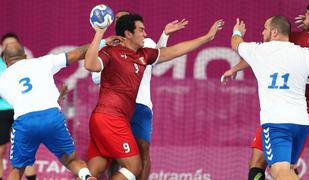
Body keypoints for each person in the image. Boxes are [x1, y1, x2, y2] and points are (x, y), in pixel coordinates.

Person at [85, 13, 224, 180]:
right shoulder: (110, 51)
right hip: (110, 117)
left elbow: (177, 50)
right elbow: (90, 65)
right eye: (141, 30)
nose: (145, 34)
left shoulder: (144, 54)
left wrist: (207, 38)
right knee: (133, 166)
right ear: (128, 33)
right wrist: (99, 34)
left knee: (94, 169)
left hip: (112, 116)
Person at [222, 2, 309, 180]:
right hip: (302, 120)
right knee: (282, 168)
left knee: (277, 170)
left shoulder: (263, 50)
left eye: (265, 28)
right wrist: (236, 68)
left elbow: (240, 45)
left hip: (277, 120)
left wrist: (237, 32)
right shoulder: (305, 53)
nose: (262, 32)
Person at [90, 10, 188, 180]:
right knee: (115, 155)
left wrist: (164, 35)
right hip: (116, 107)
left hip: (141, 104)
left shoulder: (145, 42)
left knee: (142, 148)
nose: (119, 22)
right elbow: (95, 76)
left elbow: (157, 58)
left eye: (123, 19)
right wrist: (118, 66)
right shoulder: (109, 48)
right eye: (117, 20)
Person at [0, 41, 105, 180]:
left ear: (5, 60)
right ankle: (86, 176)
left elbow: (26, 98)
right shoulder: (43, 62)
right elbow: (79, 53)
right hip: (51, 117)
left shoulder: (2, 79)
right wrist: (103, 41)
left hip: (25, 123)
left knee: (17, 169)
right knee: (72, 161)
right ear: (25, 56)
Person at [0, 33, 36, 180]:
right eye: (6, 45)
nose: (10, 47)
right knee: (0, 150)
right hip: (2, 112)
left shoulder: (27, 65)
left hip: (22, 111)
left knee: (25, 149)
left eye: (12, 44)